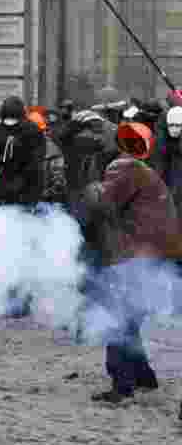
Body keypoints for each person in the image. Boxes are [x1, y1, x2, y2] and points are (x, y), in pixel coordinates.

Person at [82, 122, 177, 404]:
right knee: (131, 316)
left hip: (133, 253)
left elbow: (101, 203)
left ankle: (122, 385)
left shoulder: (123, 168)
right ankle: (143, 375)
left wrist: (87, 182)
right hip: (154, 253)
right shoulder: (143, 171)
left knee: (116, 316)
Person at [0, 96, 46, 207]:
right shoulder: (32, 129)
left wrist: (3, 168)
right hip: (13, 186)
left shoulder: (30, 130)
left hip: (22, 187)